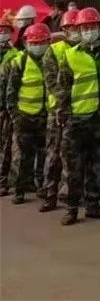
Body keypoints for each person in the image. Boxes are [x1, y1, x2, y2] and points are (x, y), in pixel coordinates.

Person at [57, 7, 100, 225]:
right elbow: (63, 89)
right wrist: (64, 115)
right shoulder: (70, 55)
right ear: (79, 30)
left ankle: (93, 204)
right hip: (77, 119)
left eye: (92, 26)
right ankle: (71, 207)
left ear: (99, 27)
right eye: (84, 27)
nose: (89, 30)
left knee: (99, 165)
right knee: (73, 167)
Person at [39, 9, 80, 212]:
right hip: (57, 111)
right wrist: (64, 103)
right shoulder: (54, 51)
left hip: (78, 111)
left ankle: (69, 196)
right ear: (64, 29)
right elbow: (52, 83)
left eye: (77, 27)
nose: (75, 31)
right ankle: (49, 194)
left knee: (71, 157)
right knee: (54, 154)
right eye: (71, 27)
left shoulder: (84, 51)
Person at [5, 23, 51, 204]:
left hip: (44, 115)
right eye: (34, 43)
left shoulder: (51, 61)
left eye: (41, 42)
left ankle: (41, 186)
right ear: (26, 43)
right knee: (22, 156)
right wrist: (15, 115)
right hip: (24, 116)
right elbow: (11, 92)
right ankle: (19, 190)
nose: (38, 46)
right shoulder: (20, 62)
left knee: (44, 154)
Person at [0, 13, 22, 197]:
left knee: (5, 145)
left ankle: (2, 181)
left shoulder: (15, 54)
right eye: (1, 30)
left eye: (6, 30)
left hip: (4, 106)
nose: (3, 33)